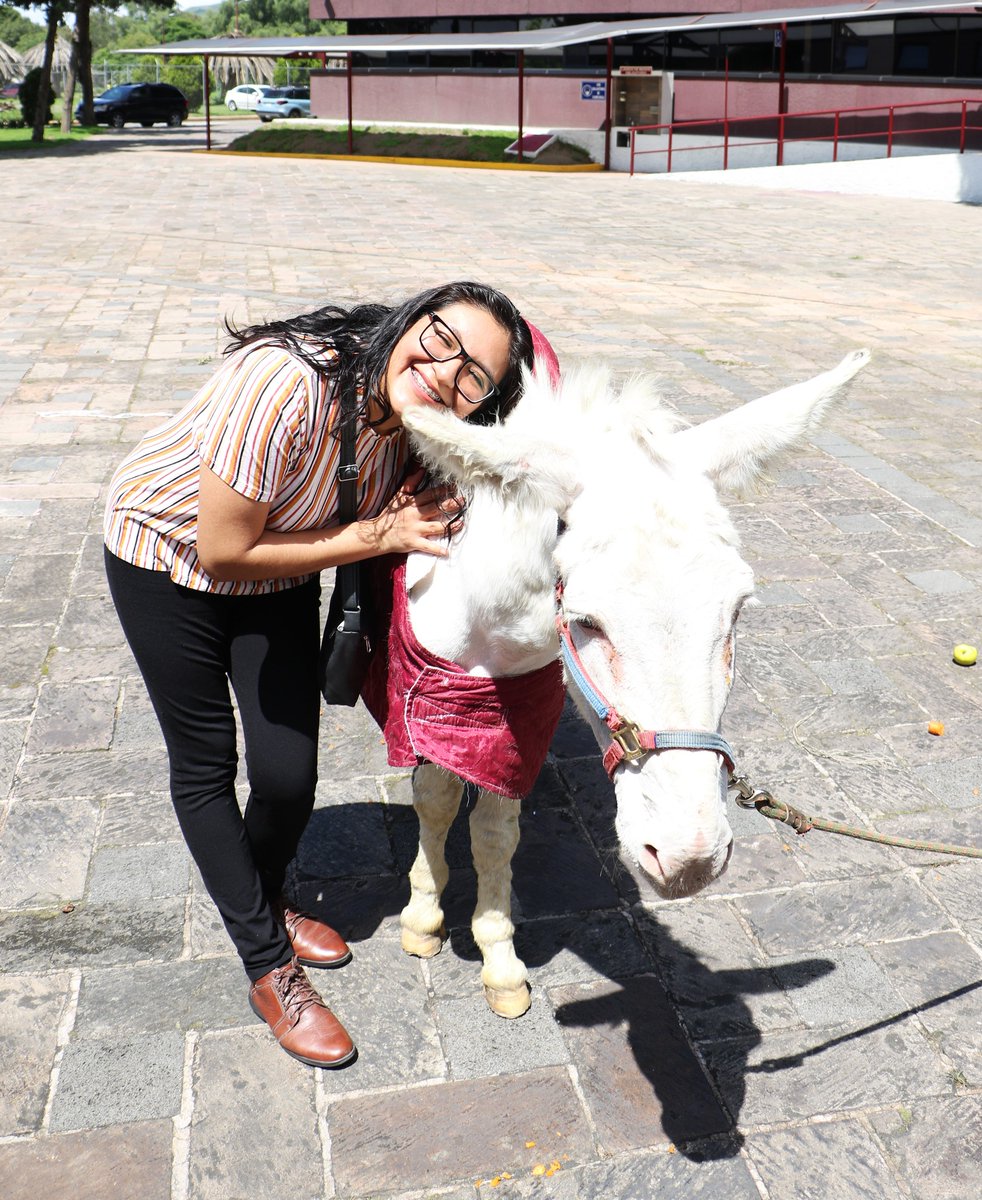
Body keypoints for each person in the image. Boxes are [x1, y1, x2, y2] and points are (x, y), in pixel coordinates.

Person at [103, 281, 536, 1069]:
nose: (445, 373)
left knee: (288, 774)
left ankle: (262, 896)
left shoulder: (417, 426)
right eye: (440, 339)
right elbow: (224, 548)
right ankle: (269, 966)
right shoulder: (286, 382)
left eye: (474, 376)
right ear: (411, 320)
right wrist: (376, 533)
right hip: (167, 558)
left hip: (278, 571)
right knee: (205, 765)